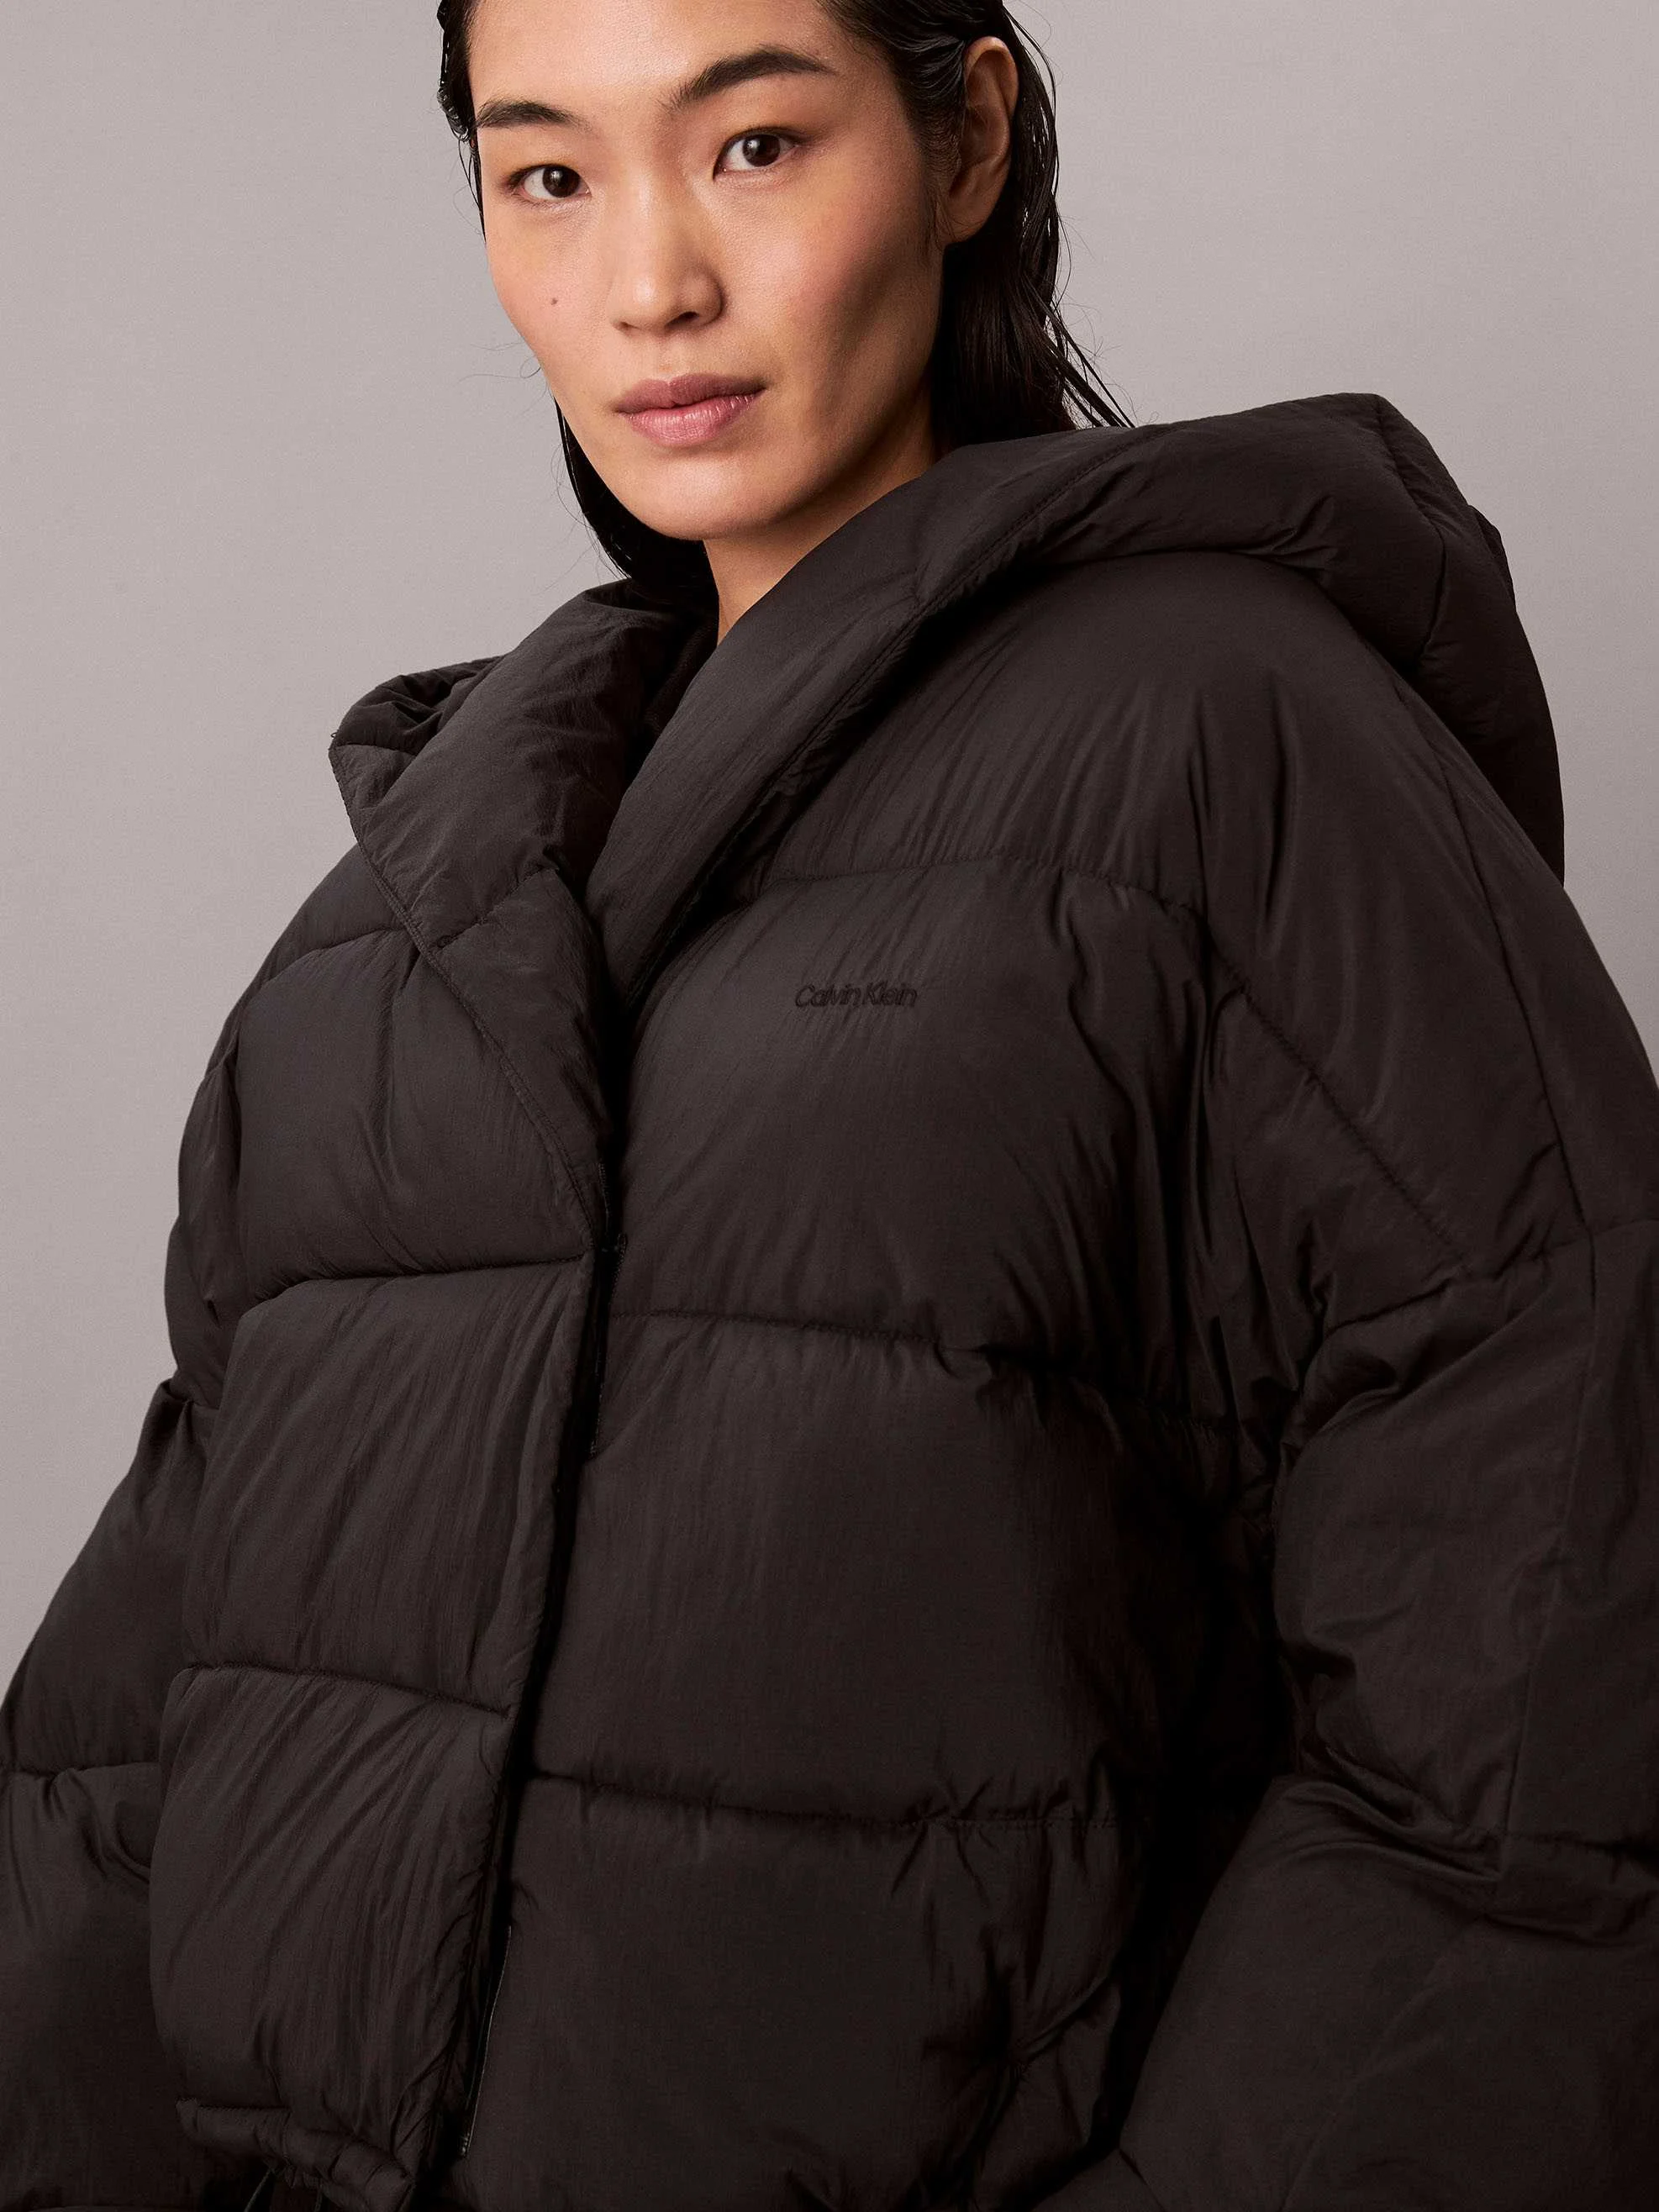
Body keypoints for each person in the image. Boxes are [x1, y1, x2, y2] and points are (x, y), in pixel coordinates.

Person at [3, 1, 1656, 2207]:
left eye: (755, 146)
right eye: (546, 175)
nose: (648, 282)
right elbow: (138, 1753)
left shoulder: (1232, 750)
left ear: (963, 137)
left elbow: (1541, 1695)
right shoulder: (403, 923)